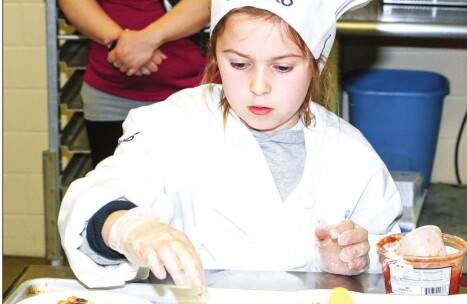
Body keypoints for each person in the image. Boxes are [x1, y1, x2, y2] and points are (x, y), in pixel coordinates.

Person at [58, 0, 403, 298]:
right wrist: (130, 228)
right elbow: (99, 196)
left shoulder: (352, 156)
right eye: (239, 64)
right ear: (215, 55)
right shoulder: (172, 126)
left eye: (283, 67)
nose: (258, 86)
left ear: (316, 65)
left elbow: (390, 257)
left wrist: (357, 259)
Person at [58, 0, 210, 167]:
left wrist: (145, 41)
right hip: (111, 96)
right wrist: (121, 45)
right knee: (114, 187)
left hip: (194, 94)